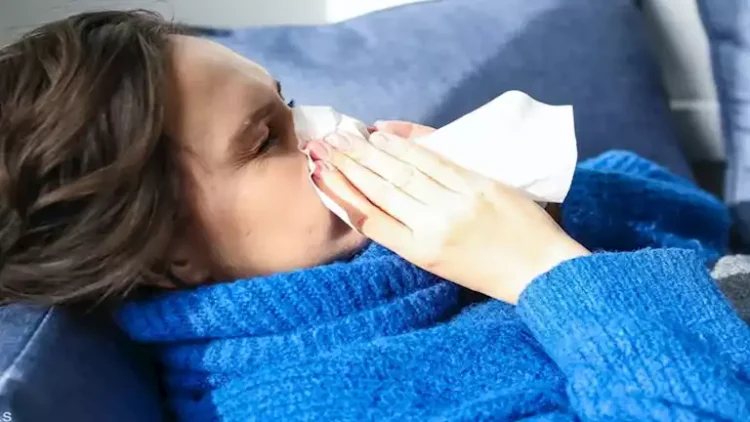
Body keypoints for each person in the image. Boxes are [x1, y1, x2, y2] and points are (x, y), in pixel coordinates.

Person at [1, 10, 748, 421]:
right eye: (265, 139)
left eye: (290, 102)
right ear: (168, 254)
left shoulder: (403, 258)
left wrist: (533, 198)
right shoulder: (303, 404)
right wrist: (541, 268)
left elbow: (701, 224)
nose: (328, 128)